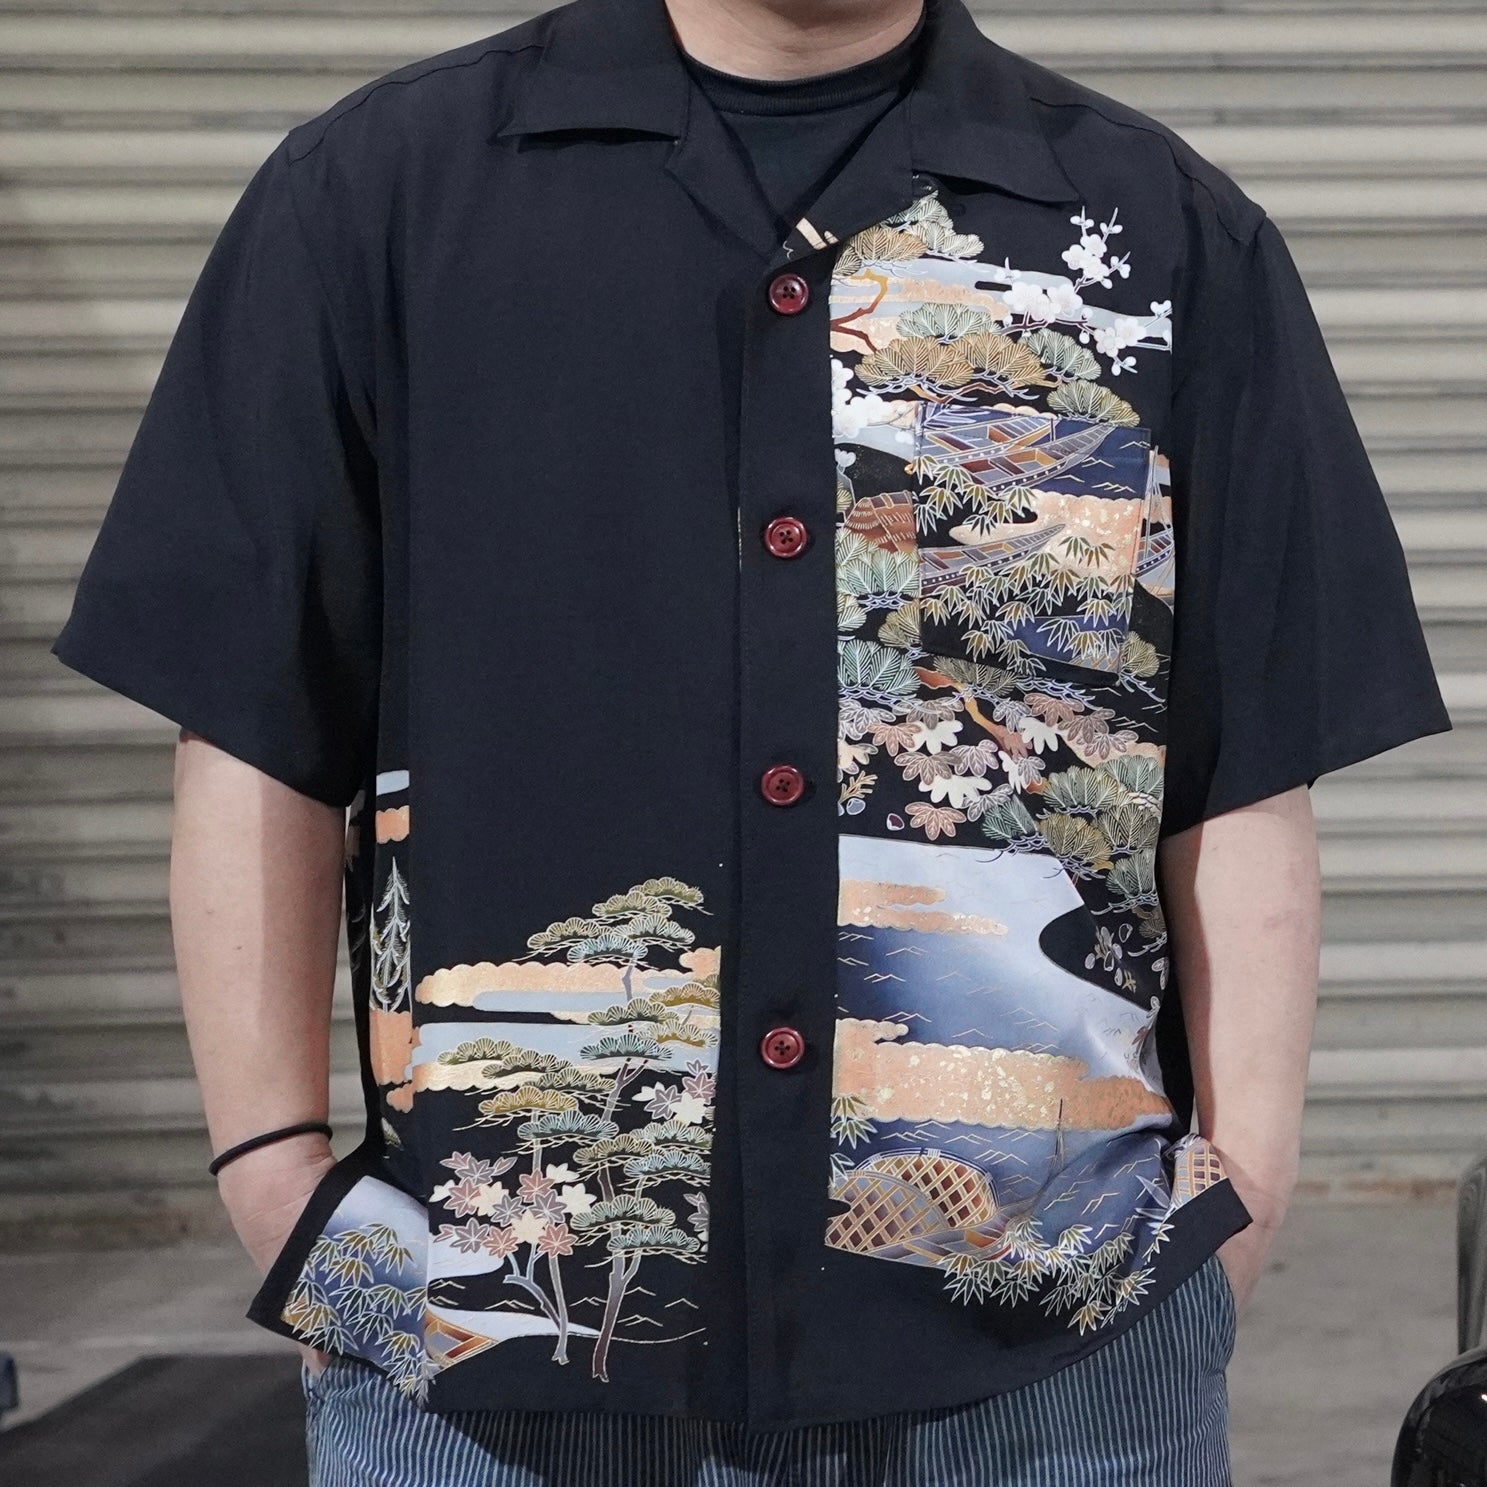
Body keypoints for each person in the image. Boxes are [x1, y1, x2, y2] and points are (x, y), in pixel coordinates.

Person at [49, 0, 1453, 1481]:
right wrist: (270, 1168)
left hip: (1062, 1353)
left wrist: (1248, 1184)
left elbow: (1242, 758)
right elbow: (256, 720)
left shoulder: (1154, 232)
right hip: (482, 1350)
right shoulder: (378, 201)